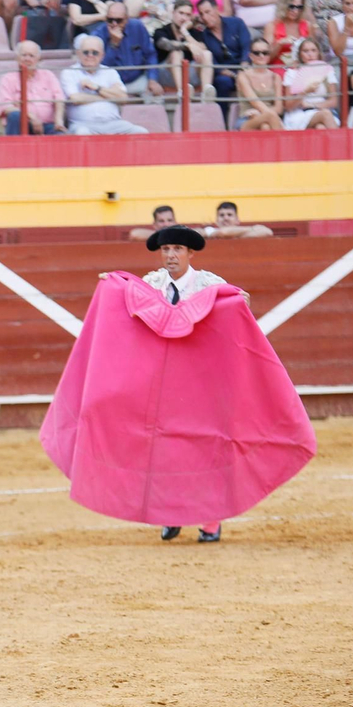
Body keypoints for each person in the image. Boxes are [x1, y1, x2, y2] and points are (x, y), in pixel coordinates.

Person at [134, 226, 251, 542]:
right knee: (164, 449)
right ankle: (170, 513)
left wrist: (237, 302)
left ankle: (210, 519)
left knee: (206, 449)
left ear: (190, 253)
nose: (170, 256)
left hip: (203, 383)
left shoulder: (210, 285)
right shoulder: (151, 284)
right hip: (163, 382)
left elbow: (239, 312)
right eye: (166, 250)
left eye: (177, 250)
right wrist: (111, 287)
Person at [61, 32, 144, 134]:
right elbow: (75, 99)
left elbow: (122, 98)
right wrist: (107, 96)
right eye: (86, 52)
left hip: (114, 123)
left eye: (95, 53)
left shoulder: (110, 72)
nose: (90, 56)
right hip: (82, 124)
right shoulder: (69, 72)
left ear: (102, 55)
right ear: (78, 53)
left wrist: (97, 88)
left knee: (141, 132)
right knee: (82, 133)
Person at [0, 38, 66, 134]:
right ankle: (14, 149)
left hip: (46, 125)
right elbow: (6, 107)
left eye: (31, 56)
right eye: (24, 55)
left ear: (38, 59)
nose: (27, 59)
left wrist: (59, 121)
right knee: (14, 116)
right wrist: (31, 117)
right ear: (17, 58)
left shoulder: (48, 75)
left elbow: (59, 100)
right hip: (22, 124)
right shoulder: (8, 78)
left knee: (62, 136)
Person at [92, 0, 156, 95]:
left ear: (127, 19)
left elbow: (150, 54)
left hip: (136, 80)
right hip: (109, 85)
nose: (114, 24)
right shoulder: (97, 35)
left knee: (154, 95)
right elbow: (100, 67)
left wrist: (153, 79)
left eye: (119, 20)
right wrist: (114, 44)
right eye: (110, 20)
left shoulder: (137, 27)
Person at [193, 0, 247, 108]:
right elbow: (214, 63)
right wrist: (233, 75)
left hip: (243, 68)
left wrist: (243, 70)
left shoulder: (236, 23)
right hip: (224, 73)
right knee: (222, 82)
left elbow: (246, 47)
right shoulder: (203, 35)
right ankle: (221, 121)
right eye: (202, 14)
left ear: (217, 9)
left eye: (208, 12)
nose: (205, 17)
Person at [281, 36, 338, 130]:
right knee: (325, 115)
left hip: (321, 108)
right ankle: (343, 144)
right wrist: (305, 91)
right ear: (300, 54)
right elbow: (288, 105)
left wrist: (312, 105)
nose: (310, 54)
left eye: (313, 50)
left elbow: (333, 101)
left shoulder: (327, 71)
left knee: (320, 127)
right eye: (306, 51)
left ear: (318, 53)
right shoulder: (291, 74)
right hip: (299, 114)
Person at [236, 36, 284, 130]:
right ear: (250, 56)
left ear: (269, 55)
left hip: (269, 118)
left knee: (265, 127)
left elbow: (279, 108)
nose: (261, 56)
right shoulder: (243, 76)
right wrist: (270, 115)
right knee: (267, 122)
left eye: (265, 53)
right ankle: (284, 143)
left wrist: (266, 115)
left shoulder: (276, 77)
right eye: (257, 53)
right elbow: (255, 102)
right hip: (247, 118)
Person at [261, 0, 311, 68]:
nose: (296, 11)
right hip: (279, 66)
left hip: (302, 67)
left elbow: (314, 54)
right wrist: (280, 44)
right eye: (292, 7)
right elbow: (266, 59)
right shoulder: (272, 26)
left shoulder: (307, 25)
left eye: (299, 7)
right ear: (283, 6)